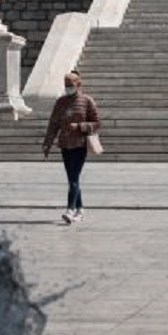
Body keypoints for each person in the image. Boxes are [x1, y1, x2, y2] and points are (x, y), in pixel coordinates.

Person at [42, 71, 101, 224]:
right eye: (65, 85)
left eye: (70, 85)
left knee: (74, 178)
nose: (68, 88)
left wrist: (80, 126)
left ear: (78, 84)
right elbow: (53, 124)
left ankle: (70, 209)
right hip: (65, 144)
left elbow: (96, 123)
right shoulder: (60, 102)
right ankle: (80, 210)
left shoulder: (87, 101)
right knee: (72, 178)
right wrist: (48, 142)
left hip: (80, 145)